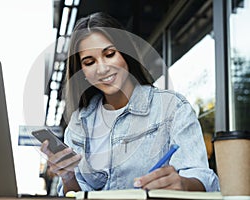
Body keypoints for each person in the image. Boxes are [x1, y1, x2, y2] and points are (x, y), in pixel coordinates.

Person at [41, 12, 220, 196]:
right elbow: (75, 195)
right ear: (83, 72)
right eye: (89, 62)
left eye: (110, 54)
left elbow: (202, 177)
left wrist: (183, 184)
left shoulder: (172, 108)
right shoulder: (79, 123)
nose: (102, 68)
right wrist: (68, 177)